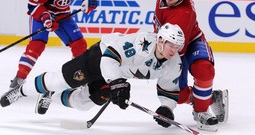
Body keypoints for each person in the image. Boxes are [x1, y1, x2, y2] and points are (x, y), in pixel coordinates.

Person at [1, 24, 185, 117]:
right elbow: (110, 58)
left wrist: (166, 108)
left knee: (84, 103)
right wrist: (117, 83)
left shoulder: (173, 64)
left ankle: (51, 96)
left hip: (116, 75)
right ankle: (21, 91)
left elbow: (169, 89)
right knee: (62, 81)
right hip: (100, 57)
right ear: (160, 41)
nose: (173, 50)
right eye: (170, 45)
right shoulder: (142, 43)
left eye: (177, 47)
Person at [153, 0, 228, 131]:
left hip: (190, 42)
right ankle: (211, 98)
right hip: (169, 44)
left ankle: (201, 111)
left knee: (204, 70)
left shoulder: (184, 14)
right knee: (178, 96)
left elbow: (176, 55)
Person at [8, 0, 98, 90]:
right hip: (42, 14)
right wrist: (46, 18)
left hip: (63, 15)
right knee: (37, 45)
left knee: (80, 45)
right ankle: (19, 78)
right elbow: (33, 6)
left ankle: (79, 77)